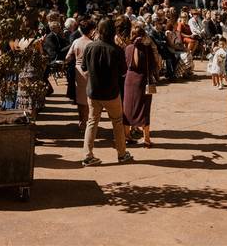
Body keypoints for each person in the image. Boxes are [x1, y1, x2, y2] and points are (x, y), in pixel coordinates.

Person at [81, 18, 133, 166]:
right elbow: (123, 71)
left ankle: (87, 155)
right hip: (111, 92)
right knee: (117, 122)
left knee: (92, 122)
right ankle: (122, 154)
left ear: (99, 30)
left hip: (93, 91)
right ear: (112, 31)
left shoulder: (90, 47)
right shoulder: (116, 50)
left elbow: (84, 68)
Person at [123, 21, 158, 148]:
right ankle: (146, 139)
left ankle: (127, 136)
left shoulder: (127, 48)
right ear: (143, 35)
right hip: (143, 80)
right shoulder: (147, 49)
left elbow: (124, 65)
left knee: (127, 109)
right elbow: (154, 65)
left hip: (129, 80)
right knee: (144, 109)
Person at [66, 20, 94, 129]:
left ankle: (81, 120)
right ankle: (86, 121)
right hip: (89, 71)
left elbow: (67, 57)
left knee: (80, 98)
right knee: (88, 98)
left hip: (78, 71)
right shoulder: (92, 43)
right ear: (91, 30)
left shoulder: (76, 41)